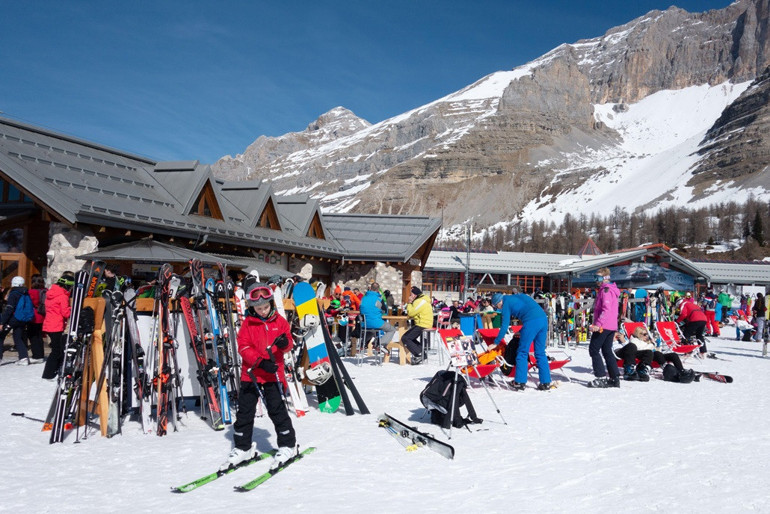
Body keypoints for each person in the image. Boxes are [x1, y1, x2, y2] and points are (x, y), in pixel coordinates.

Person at [221, 282, 297, 472]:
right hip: (252, 374)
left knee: (277, 411)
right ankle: (243, 447)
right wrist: (259, 362)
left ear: (271, 303)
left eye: (265, 307)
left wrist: (285, 342)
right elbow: (243, 347)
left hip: (273, 375)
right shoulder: (248, 324)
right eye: (258, 308)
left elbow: (288, 343)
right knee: (245, 412)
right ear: (251, 307)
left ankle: (288, 445)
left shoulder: (280, 321)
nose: (263, 311)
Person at [492, 288, 553, 391]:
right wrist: (523, 330)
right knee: (540, 352)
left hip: (531, 322)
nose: (499, 308)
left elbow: (504, 326)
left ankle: (519, 382)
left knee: (522, 352)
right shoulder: (519, 296)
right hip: (543, 319)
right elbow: (528, 309)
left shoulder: (506, 304)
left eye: (497, 306)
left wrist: (496, 342)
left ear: (499, 302)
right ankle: (545, 382)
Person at [587, 268, 621, 388]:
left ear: (605, 278)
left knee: (594, 349)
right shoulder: (609, 290)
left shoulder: (606, 291)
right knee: (607, 350)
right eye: (595, 278)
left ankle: (601, 377)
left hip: (604, 325)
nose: (596, 281)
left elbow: (606, 310)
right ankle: (614, 377)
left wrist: (598, 324)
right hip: (611, 325)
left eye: (599, 278)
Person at [41, 271, 75, 379]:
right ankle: (49, 373)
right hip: (56, 325)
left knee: (58, 349)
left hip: (49, 324)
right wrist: (74, 309)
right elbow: (65, 312)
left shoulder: (51, 294)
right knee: (56, 351)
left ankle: (54, 370)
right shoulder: (62, 296)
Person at [0, 276, 33, 365]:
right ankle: (24, 358)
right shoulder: (25, 292)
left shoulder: (14, 293)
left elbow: (9, 309)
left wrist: (2, 322)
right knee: (18, 337)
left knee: (1, 336)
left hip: (13, 319)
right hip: (22, 318)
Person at [359, 282, 396, 352]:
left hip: (364, 324)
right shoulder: (379, 299)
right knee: (392, 329)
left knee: (371, 330)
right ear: (378, 290)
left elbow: (361, 308)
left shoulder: (363, 298)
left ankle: (363, 344)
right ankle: (381, 344)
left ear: (370, 288)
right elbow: (385, 311)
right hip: (376, 322)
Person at [402, 286, 433, 364]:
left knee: (405, 338)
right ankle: (422, 354)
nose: (410, 296)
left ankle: (419, 355)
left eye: (411, 294)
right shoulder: (422, 300)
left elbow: (411, 313)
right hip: (424, 322)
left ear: (414, 295)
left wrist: (409, 303)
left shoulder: (419, 301)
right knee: (410, 338)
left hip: (423, 323)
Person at [27, 274, 46, 364]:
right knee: (39, 336)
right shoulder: (45, 291)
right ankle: (41, 354)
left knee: (33, 336)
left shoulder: (32, 292)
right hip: (43, 316)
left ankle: (37, 355)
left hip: (34, 316)